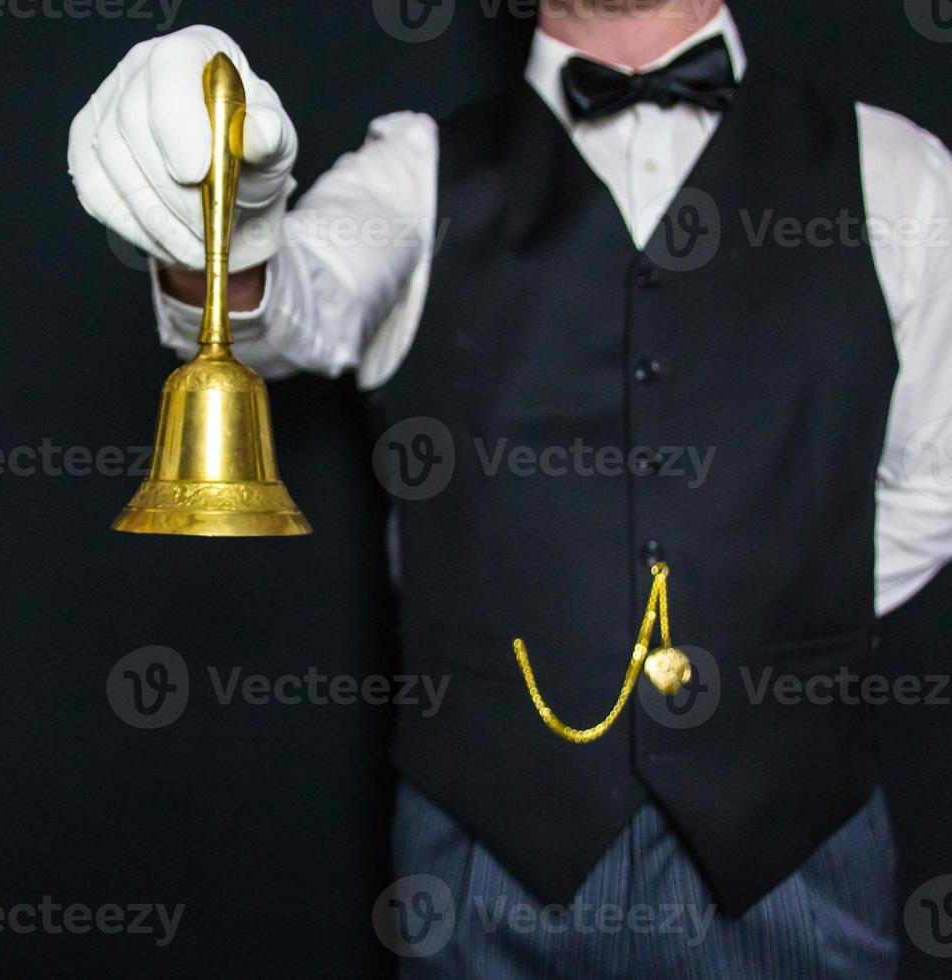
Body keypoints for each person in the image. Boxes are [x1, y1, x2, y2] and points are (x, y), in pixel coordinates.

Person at [67, 2, 952, 976]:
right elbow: (282, 310)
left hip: (797, 859)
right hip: (485, 864)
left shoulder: (899, 171)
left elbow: (938, 479)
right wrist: (219, 192)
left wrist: (769, 624)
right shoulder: (414, 171)